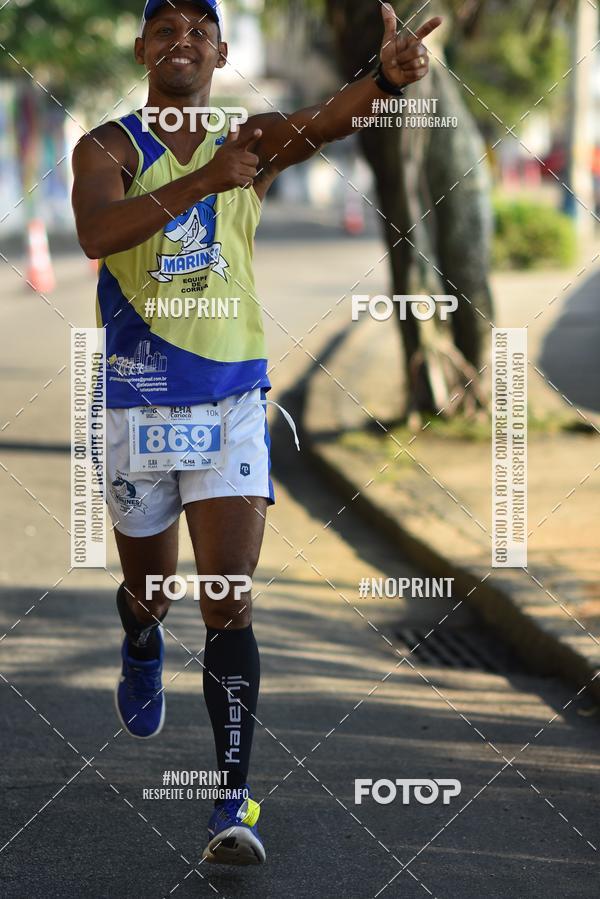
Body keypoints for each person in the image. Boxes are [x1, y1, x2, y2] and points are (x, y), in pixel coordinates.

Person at [71, 0, 440, 866]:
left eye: (200, 28)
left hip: (233, 403)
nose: (183, 39)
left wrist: (385, 78)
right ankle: (139, 636)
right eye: (165, 28)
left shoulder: (255, 137)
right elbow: (97, 232)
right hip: (138, 405)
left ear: (222, 50)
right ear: (142, 50)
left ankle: (231, 804)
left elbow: (329, 118)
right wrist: (207, 180)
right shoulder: (109, 148)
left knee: (229, 597)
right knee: (152, 592)